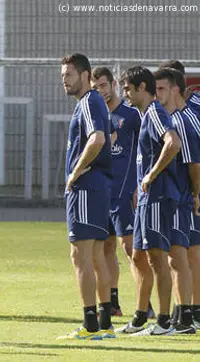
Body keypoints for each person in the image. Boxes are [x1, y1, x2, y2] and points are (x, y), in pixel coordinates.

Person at [116, 66, 182, 336]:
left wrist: (152, 175)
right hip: (146, 197)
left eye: (128, 89)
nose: (126, 95)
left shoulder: (154, 112)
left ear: (143, 88)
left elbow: (173, 142)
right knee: (139, 255)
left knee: (157, 258)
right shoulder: (146, 115)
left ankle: (165, 321)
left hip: (157, 196)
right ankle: (141, 316)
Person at [56, 53, 114, 340]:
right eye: (62, 75)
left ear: (85, 75)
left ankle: (90, 325)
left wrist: (75, 172)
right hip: (99, 188)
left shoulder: (89, 101)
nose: (64, 80)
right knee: (96, 257)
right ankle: (104, 323)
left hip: (86, 188)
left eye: (68, 75)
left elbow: (99, 138)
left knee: (80, 256)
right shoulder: (95, 103)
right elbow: (110, 137)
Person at [90, 67, 152, 318]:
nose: (101, 91)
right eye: (96, 88)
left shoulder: (131, 115)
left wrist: (138, 185)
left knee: (132, 251)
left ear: (113, 84)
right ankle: (113, 302)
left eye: (104, 86)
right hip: (102, 192)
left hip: (125, 193)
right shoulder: (95, 115)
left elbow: (146, 151)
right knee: (105, 248)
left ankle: (145, 305)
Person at [152, 67, 197, 333]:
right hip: (180, 196)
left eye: (161, 89)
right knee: (180, 256)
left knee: (182, 257)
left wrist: (195, 193)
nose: (157, 95)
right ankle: (184, 316)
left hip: (184, 198)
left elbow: (194, 164)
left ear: (175, 89)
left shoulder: (183, 121)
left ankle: (186, 318)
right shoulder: (175, 118)